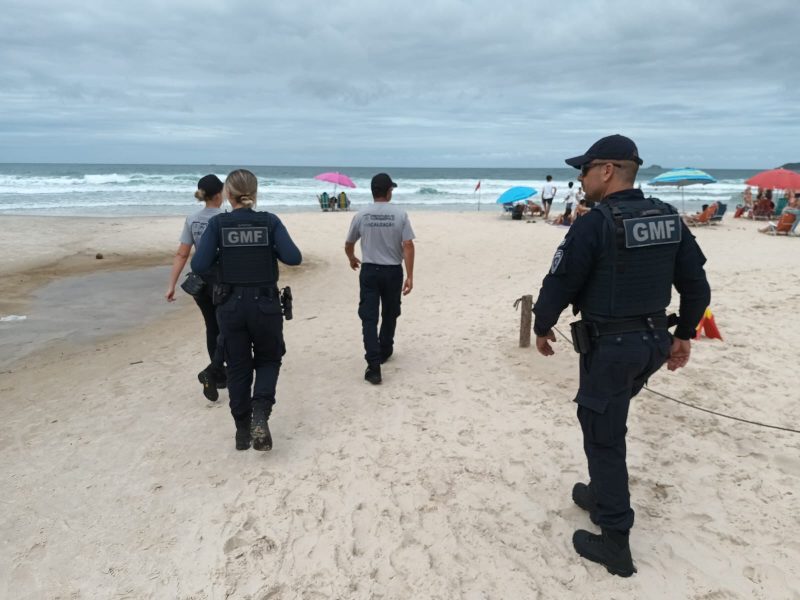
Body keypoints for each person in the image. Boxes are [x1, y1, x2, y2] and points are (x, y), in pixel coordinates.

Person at [532, 135, 711, 577]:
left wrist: (541, 325)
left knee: (603, 433)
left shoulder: (595, 223)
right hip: (650, 343)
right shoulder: (668, 218)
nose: (581, 176)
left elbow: (561, 282)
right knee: (610, 417)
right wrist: (684, 334)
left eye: (586, 168)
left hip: (612, 347)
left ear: (607, 170)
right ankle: (600, 493)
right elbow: (697, 286)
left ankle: (615, 540)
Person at [192, 169, 302, 451]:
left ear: (228, 194)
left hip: (230, 306)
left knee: (238, 367)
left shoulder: (218, 225)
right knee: (268, 360)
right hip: (265, 305)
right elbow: (293, 257)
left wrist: (224, 259)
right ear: (254, 193)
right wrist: (270, 250)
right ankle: (261, 414)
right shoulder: (270, 222)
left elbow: (199, 265)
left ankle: (242, 431)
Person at [344, 173, 415, 385]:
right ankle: (385, 349)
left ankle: (373, 365)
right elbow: (408, 245)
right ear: (388, 191)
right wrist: (410, 275)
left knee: (369, 317)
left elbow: (348, 243)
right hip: (393, 270)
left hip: (370, 270)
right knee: (390, 312)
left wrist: (351, 258)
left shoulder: (362, 215)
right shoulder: (400, 214)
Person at [165, 174, 227, 401]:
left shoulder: (192, 219)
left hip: (200, 281)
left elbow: (182, 253)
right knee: (227, 327)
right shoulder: (226, 217)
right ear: (220, 193)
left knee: (212, 326)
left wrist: (171, 284)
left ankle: (219, 375)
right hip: (223, 281)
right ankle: (217, 370)